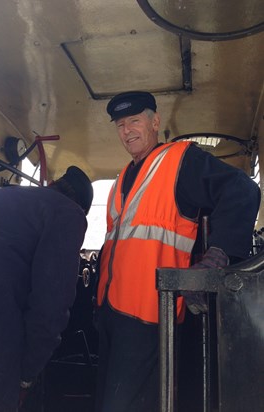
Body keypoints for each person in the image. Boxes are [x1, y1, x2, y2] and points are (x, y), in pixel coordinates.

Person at [94, 91, 261, 412]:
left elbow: (242, 189)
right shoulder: (118, 183)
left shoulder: (179, 160)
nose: (126, 130)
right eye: (120, 125)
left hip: (151, 318)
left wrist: (218, 255)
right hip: (111, 317)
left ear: (155, 122)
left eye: (135, 121)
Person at [0, 165, 93, 412]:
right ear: (81, 207)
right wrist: (27, 375)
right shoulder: (68, 213)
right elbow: (50, 306)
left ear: (51, 185)